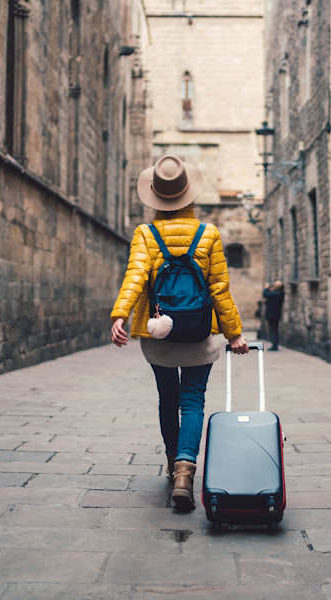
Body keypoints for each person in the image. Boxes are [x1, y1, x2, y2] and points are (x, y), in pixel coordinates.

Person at [110, 155, 249, 512]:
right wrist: (234, 333)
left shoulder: (145, 234)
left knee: (167, 398)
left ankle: (173, 464)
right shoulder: (209, 234)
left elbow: (135, 277)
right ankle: (187, 470)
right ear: (190, 196)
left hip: (159, 335)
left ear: (156, 197)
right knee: (193, 399)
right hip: (201, 334)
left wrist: (120, 314)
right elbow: (219, 288)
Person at [263, 280, 284, 351]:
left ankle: (274, 346)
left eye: (275, 285)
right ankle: (275, 344)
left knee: (273, 330)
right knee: (275, 329)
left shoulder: (276, 294)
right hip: (276, 314)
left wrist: (266, 288)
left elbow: (265, 294)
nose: (273, 286)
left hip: (272, 315)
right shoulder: (279, 293)